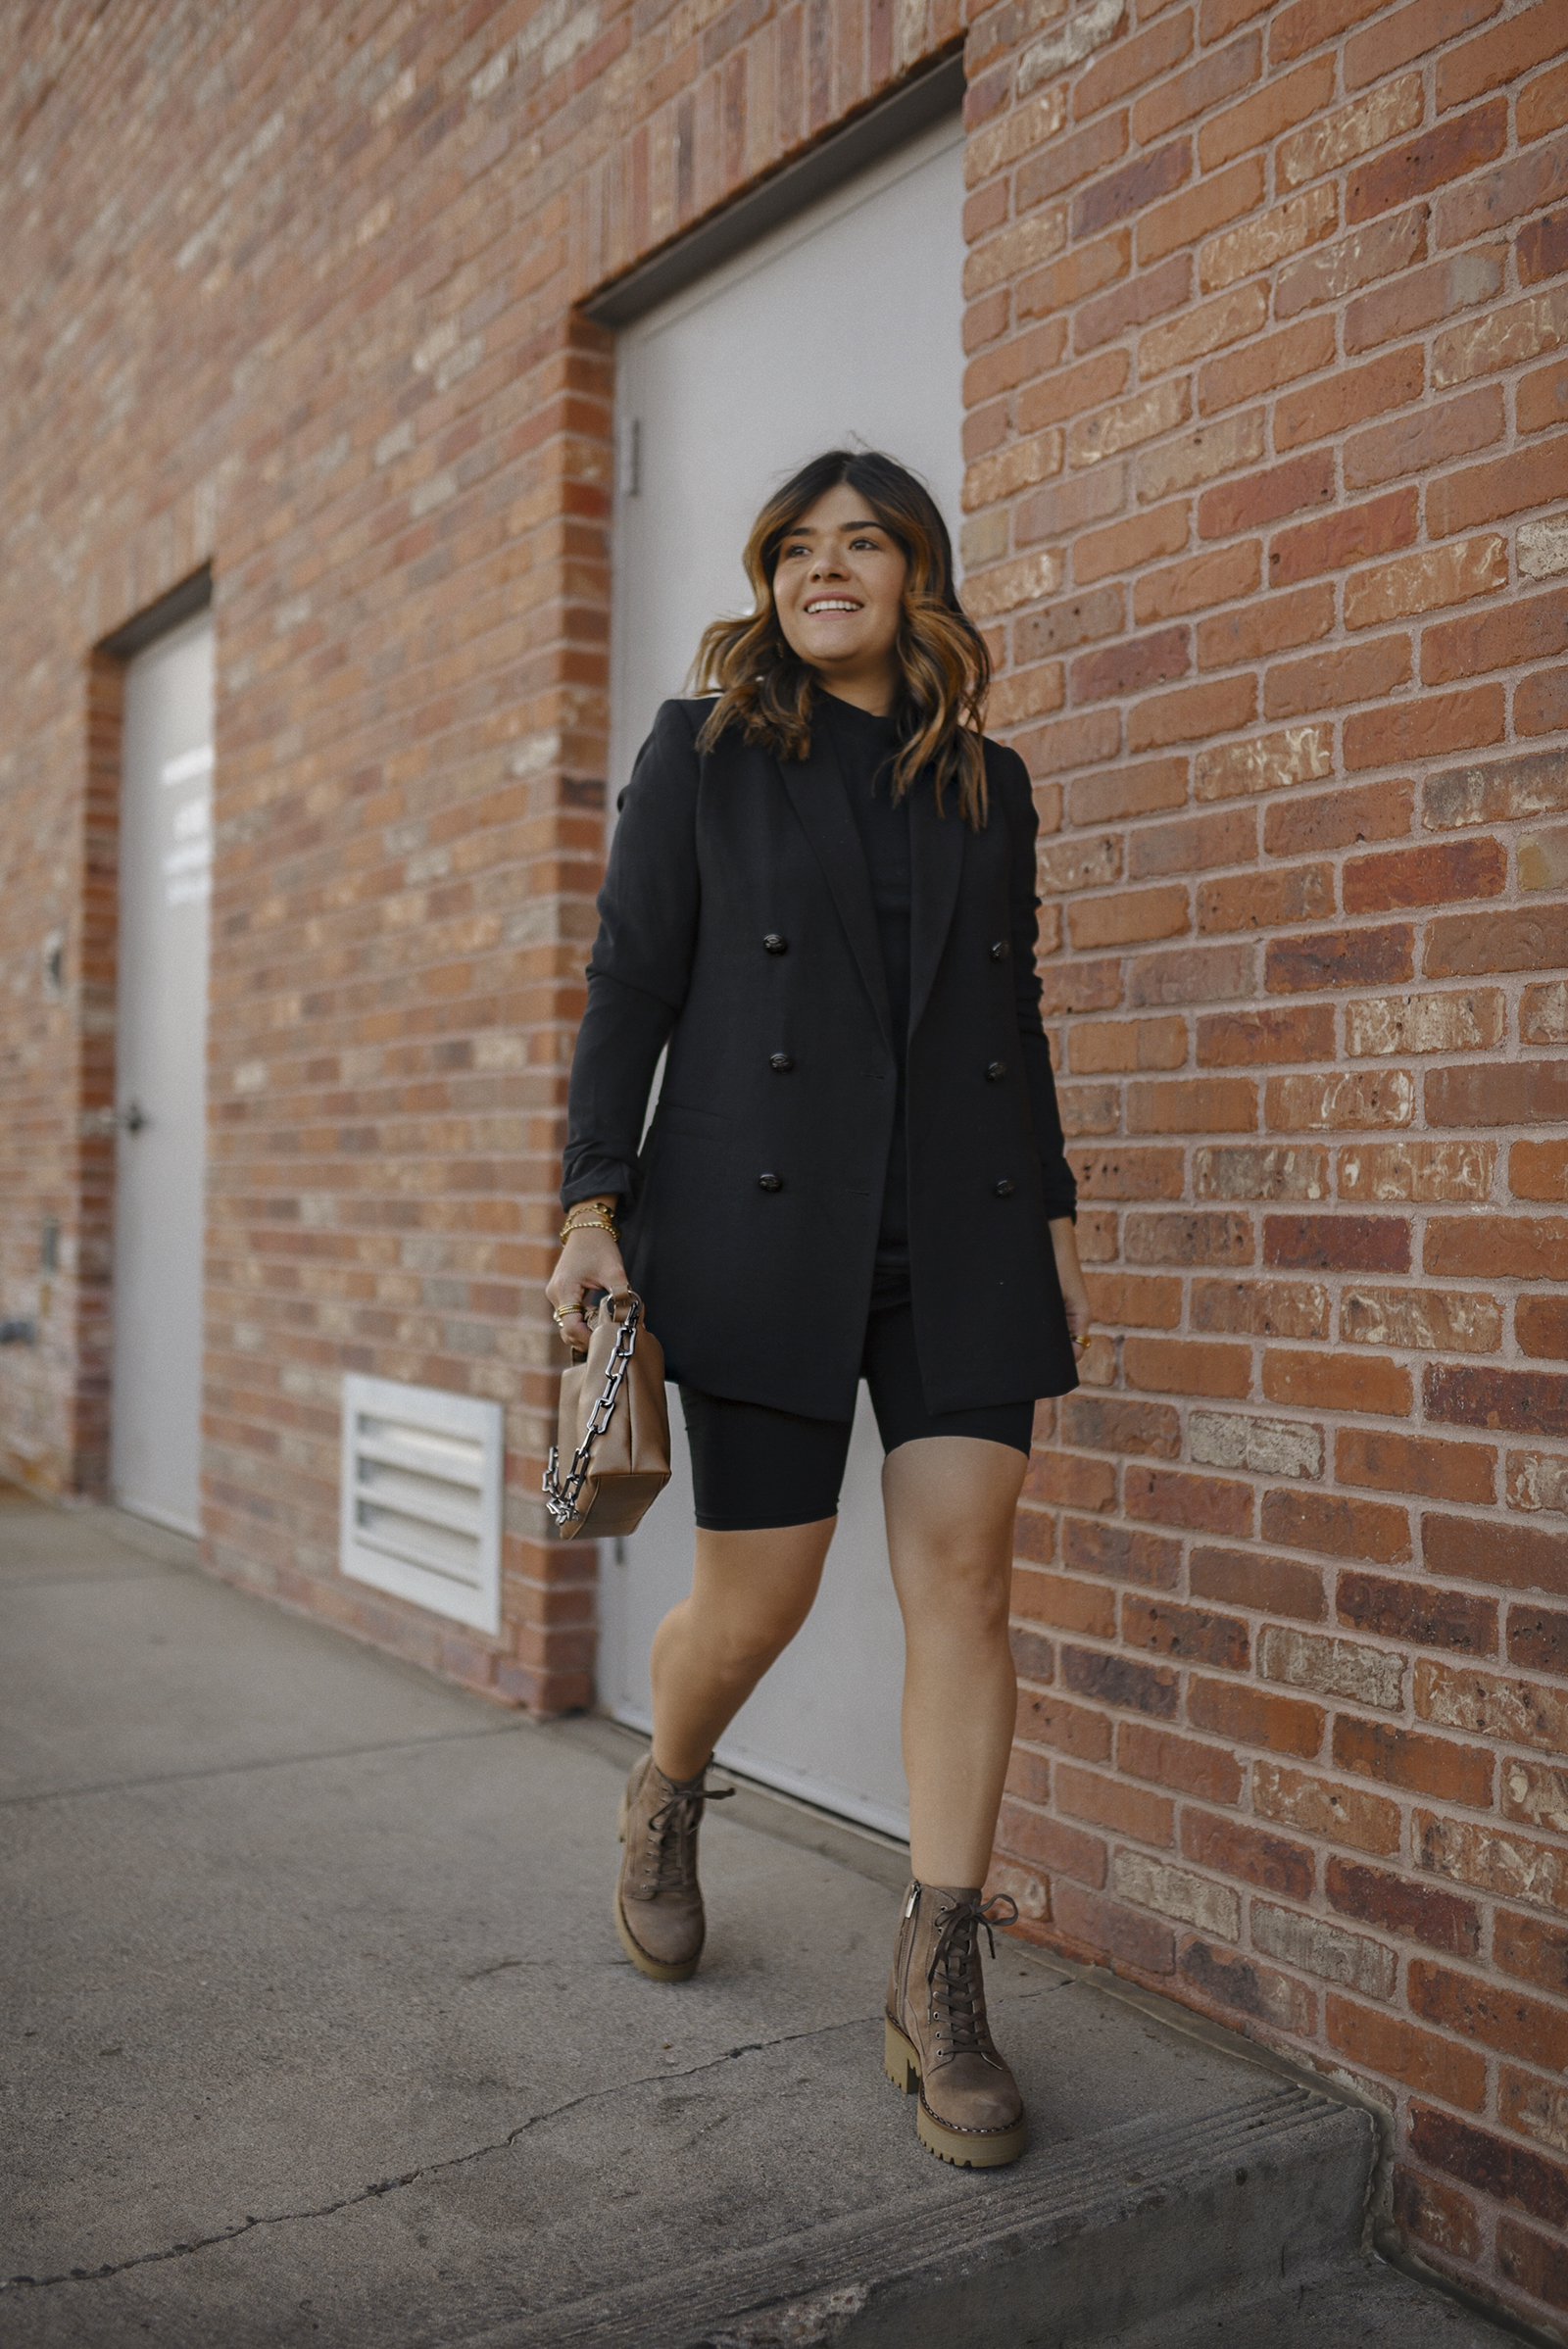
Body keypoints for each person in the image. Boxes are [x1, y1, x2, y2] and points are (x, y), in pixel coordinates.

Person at [547, 448, 1091, 2170]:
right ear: (770, 578)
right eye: (799, 545)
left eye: (865, 543)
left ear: (917, 578)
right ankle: (668, 1786)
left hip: (959, 1228)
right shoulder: (700, 755)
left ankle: (938, 1971)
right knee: (754, 1600)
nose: (827, 567)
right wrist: (588, 1203)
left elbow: (1017, 1014)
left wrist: (1048, 1212)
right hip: (762, 1225)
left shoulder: (988, 784)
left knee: (968, 1580)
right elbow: (632, 979)